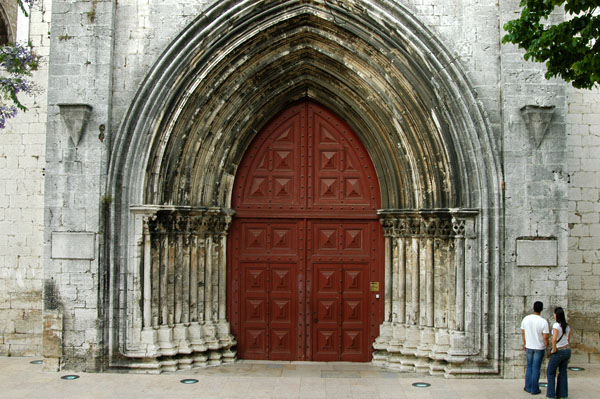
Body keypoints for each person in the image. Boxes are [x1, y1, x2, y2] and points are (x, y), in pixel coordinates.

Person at [521, 301, 549, 395]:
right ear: (541, 309)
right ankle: (534, 389)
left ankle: (527, 386)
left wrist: (525, 343)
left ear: (533, 308)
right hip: (539, 347)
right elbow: (545, 337)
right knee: (536, 367)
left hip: (529, 346)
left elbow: (523, 333)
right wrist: (546, 345)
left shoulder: (526, 319)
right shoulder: (543, 322)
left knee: (529, 367)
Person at [546, 307, 571, 399]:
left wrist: (553, 349)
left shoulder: (556, 326)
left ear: (556, 315)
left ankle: (550, 395)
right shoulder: (567, 326)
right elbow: (568, 339)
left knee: (550, 372)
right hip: (567, 350)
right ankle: (562, 395)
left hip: (559, 351)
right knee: (563, 372)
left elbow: (554, 339)